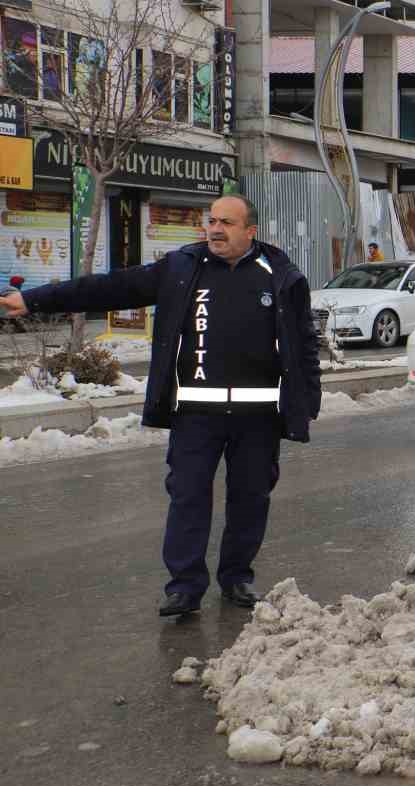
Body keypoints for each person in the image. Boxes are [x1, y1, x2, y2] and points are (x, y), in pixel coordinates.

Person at [0, 195, 321, 618]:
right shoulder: (183, 267)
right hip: (195, 414)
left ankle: (237, 578)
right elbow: (111, 287)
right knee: (187, 497)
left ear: (250, 231)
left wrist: (307, 398)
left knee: (251, 499)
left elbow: (303, 343)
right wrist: (35, 299)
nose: (215, 229)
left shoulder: (279, 275)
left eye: (227, 222)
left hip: (257, 417)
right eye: (212, 221)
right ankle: (185, 587)